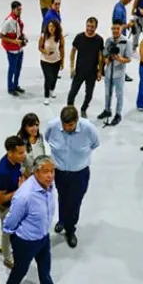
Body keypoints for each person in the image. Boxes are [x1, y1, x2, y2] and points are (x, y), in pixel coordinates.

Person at [1, 155, 68, 284]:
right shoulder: (25, 195)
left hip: (43, 235)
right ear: (36, 172)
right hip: (26, 239)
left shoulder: (49, 186)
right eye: (45, 171)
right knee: (21, 268)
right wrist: (14, 238)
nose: (50, 175)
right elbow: (11, 220)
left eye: (52, 171)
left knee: (45, 264)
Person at [44, 106, 100, 249]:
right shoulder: (53, 126)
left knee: (75, 202)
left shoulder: (88, 128)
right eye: (64, 125)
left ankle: (70, 229)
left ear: (77, 121)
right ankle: (62, 220)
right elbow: (47, 138)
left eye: (70, 125)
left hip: (79, 173)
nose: (67, 128)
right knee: (62, 197)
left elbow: (95, 143)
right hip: (60, 172)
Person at [0, 136, 27, 269]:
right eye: (20, 153)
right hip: (6, 208)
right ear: (10, 153)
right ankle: (7, 258)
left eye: (24, 151)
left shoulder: (16, 162)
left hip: (15, 204)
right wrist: (19, 190)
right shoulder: (1, 172)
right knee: (8, 233)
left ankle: (3, 246)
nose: (24, 155)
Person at [67, 18, 105, 118]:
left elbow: (100, 56)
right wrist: (72, 67)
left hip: (92, 72)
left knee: (89, 95)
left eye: (92, 27)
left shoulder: (99, 40)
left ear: (96, 27)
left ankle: (83, 109)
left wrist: (100, 71)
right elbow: (73, 52)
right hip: (79, 71)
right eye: (88, 26)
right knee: (72, 93)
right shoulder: (79, 37)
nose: (89, 29)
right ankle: (70, 110)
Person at [98, 22, 132, 127]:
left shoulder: (126, 42)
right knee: (107, 93)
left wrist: (121, 59)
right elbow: (104, 54)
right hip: (109, 72)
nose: (115, 30)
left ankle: (118, 114)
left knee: (119, 95)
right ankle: (107, 110)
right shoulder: (109, 40)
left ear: (121, 29)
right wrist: (106, 59)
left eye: (117, 28)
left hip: (119, 74)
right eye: (113, 28)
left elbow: (129, 59)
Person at [0, 0, 26, 96]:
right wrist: (14, 41)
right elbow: (1, 35)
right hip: (12, 50)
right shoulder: (9, 21)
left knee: (18, 68)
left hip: (19, 48)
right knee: (12, 69)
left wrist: (23, 36)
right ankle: (10, 88)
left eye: (21, 9)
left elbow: (18, 31)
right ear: (13, 9)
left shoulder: (17, 19)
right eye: (18, 10)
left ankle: (16, 85)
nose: (20, 11)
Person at [39, 19, 65, 105]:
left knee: (54, 78)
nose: (51, 28)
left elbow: (62, 49)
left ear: (56, 27)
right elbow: (39, 47)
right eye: (50, 26)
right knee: (48, 78)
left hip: (56, 60)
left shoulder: (60, 37)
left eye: (53, 26)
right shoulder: (43, 36)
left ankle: (52, 90)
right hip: (45, 61)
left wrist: (62, 61)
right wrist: (45, 52)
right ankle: (46, 96)